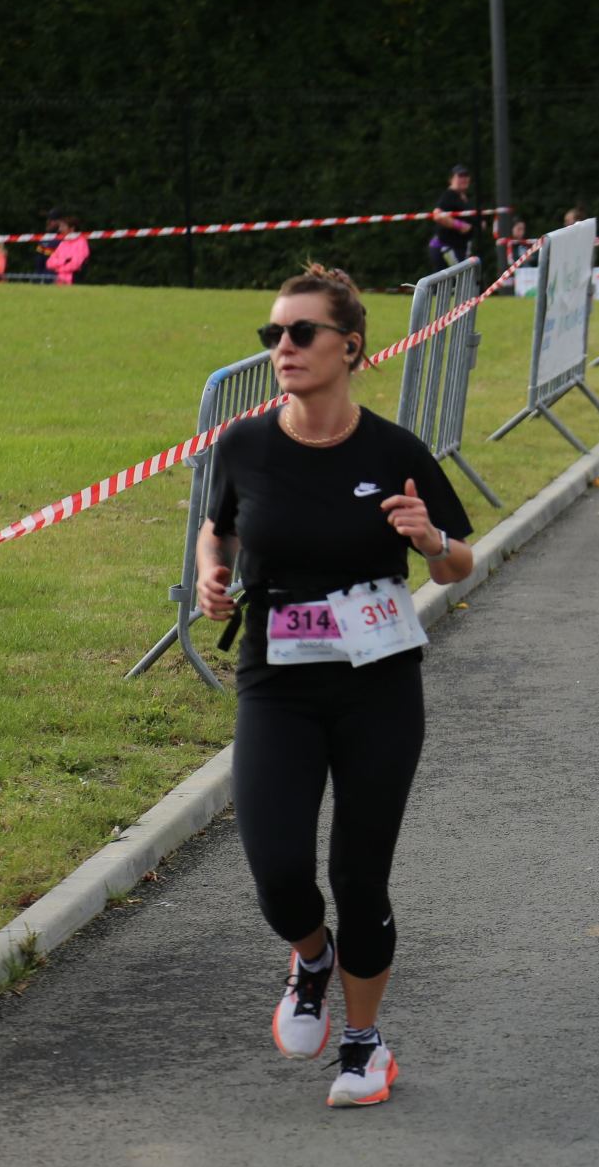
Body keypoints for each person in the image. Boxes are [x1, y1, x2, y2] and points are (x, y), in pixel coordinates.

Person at [195, 264, 476, 1109]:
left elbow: (460, 563)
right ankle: (310, 958)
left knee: (360, 877)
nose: (282, 347)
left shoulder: (394, 452)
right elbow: (219, 531)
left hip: (377, 685)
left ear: (349, 347)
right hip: (276, 683)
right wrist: (213, 575)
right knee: (280, 871)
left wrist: (430, 541)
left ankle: (364, 1044)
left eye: (300, 332)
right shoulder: (245, 445)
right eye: (272, 334)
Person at [429, 164, 475, 272]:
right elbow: (437, 215)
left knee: (464, 277)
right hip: (446, 248)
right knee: (461, 276)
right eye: (460, 176)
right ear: (451, 179)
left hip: (458, 247)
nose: (464, 179)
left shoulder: (463, 197)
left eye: (466, 176)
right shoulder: (449, 195)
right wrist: (461, 225)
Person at [45, 215, 89, 285]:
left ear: (72, 228)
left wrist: (58, 269)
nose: (59, 229)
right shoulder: (63, 243)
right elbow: (49, 263)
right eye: (60, 227)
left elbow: (76, 265)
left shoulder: (81, 242)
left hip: (74, 280)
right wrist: (64, 261)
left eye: (62, 227)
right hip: (58, 280)